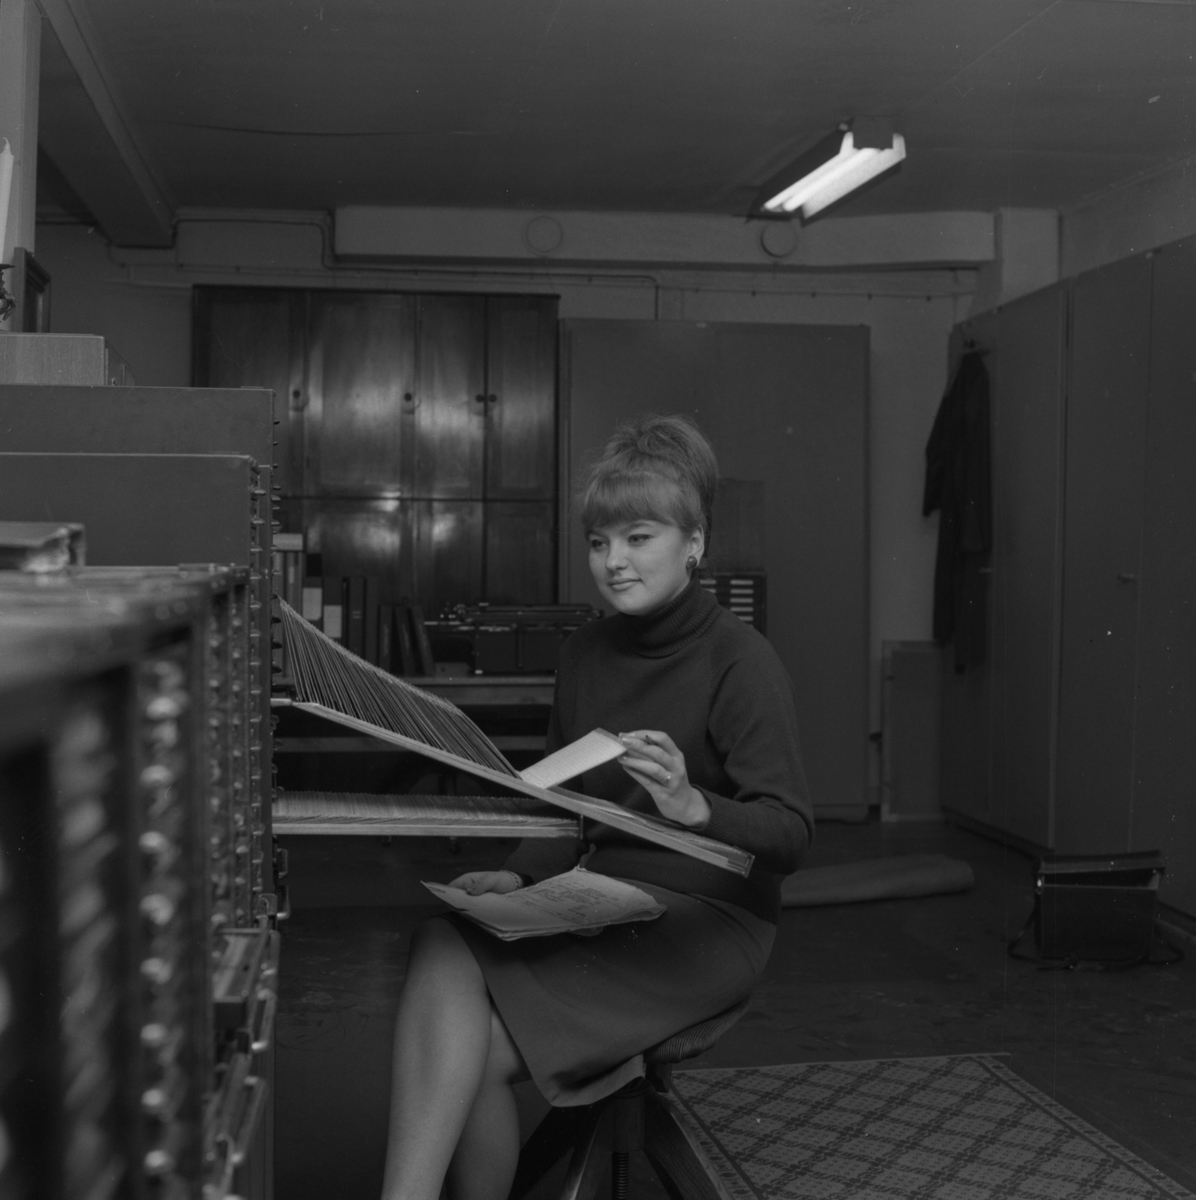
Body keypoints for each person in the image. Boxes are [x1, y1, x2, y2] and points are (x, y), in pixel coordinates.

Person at [380, 414, 812, 1200]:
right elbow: (567, 805)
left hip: (707, 922)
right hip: (602, 898)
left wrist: (696, 807)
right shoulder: (583, 654)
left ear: (694, 542)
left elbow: (790, 834)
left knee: (459, 1055)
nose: (614, 562)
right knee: (442, 946)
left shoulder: (741, 660)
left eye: (639, 537)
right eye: (598, 542)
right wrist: (518, 878)